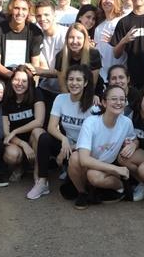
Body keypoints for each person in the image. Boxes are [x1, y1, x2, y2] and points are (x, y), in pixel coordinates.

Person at [27, 64, 96, 200]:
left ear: (85, 82)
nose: (74, 83)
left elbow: (94, 137)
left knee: (69, 192)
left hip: (83, 149)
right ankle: (42, 182)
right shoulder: (61, 99)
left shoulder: (93, 104)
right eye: (71, 79)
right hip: (66, 144)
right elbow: (51, 127)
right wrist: (63, 139)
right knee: (44, 138)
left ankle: (70, 172)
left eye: (78, 80)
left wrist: (70, 148)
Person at [69, 84, 137, 209]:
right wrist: (117, 169)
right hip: (92, 164)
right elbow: (84, 160)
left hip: (105, 168)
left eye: (122, 99)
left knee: (94, 176)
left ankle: (120, 187)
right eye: (114, 99)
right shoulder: (91, 122)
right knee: (74, 158)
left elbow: (133, 138)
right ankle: (82, 193)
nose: (119, 102)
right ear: (104, 103)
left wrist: (134, 144)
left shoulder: (126, 123)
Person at [2, 66, 46, 178]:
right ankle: (20, 166)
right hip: (17, 142)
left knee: (38, 132)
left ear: (30, 82)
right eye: (16, 79)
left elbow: (39, 121)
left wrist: (15, 131)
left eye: (24, 81)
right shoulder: (7, 98)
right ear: (11, 80)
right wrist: (23, 144)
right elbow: (7, 133)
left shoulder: (36, 93)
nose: (19, 83)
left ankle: (38, 174)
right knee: (12, 155)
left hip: (33, 139)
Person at [0, 0, 44, 79]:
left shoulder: (35, 33)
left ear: (28, 11)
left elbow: (35, 66)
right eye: (16, 8)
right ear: (11, 9)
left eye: (24, 9)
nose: (20, 13)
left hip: (25, 80)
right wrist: (13, 76)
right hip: (2, 78)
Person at [53, 22, 103, 98]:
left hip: (93, 94)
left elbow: (92, 85)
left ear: (84, 39)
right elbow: (63, 87)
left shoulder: (93, 54)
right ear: (66, 39)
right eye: (71, 37)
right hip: (70, 94)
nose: (74, 41)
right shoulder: (61, 56)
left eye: (79, 38)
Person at [33, 0, 67, 96]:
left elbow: (64, 70)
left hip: (66, 90)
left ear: (54, 15)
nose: (42, 18)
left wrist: (37, 71)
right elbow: (43, 66)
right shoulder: (37, 37)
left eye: (46, 15)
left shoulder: (66, 34)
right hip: (45, 88)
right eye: (39, 16)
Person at [93, 0, 124, 82]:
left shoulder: (123, 21)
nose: (107, 1)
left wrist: (114, 41)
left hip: (120, 77)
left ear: (117, 1)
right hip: (103, 77)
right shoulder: (98, 28)